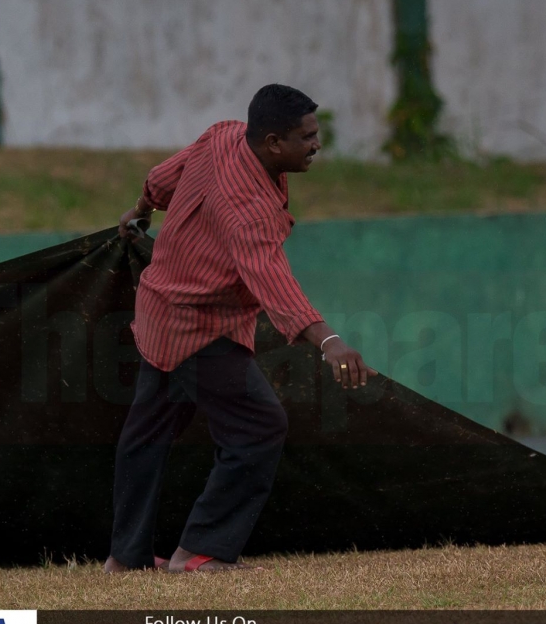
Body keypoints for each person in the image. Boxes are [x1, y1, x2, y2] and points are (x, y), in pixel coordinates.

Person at [104, 84, 376, 573]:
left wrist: (140, 209)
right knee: (259, 426)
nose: (317, 145)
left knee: (145, 435)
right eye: (307, 137)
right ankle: (202, 551)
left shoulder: (224, 135)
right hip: (198, 326)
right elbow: (270, 277)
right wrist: (329, 341)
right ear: (273, 142)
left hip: (159, 307)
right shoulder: (249, 208)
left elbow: (163, 177)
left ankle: (125, 558)